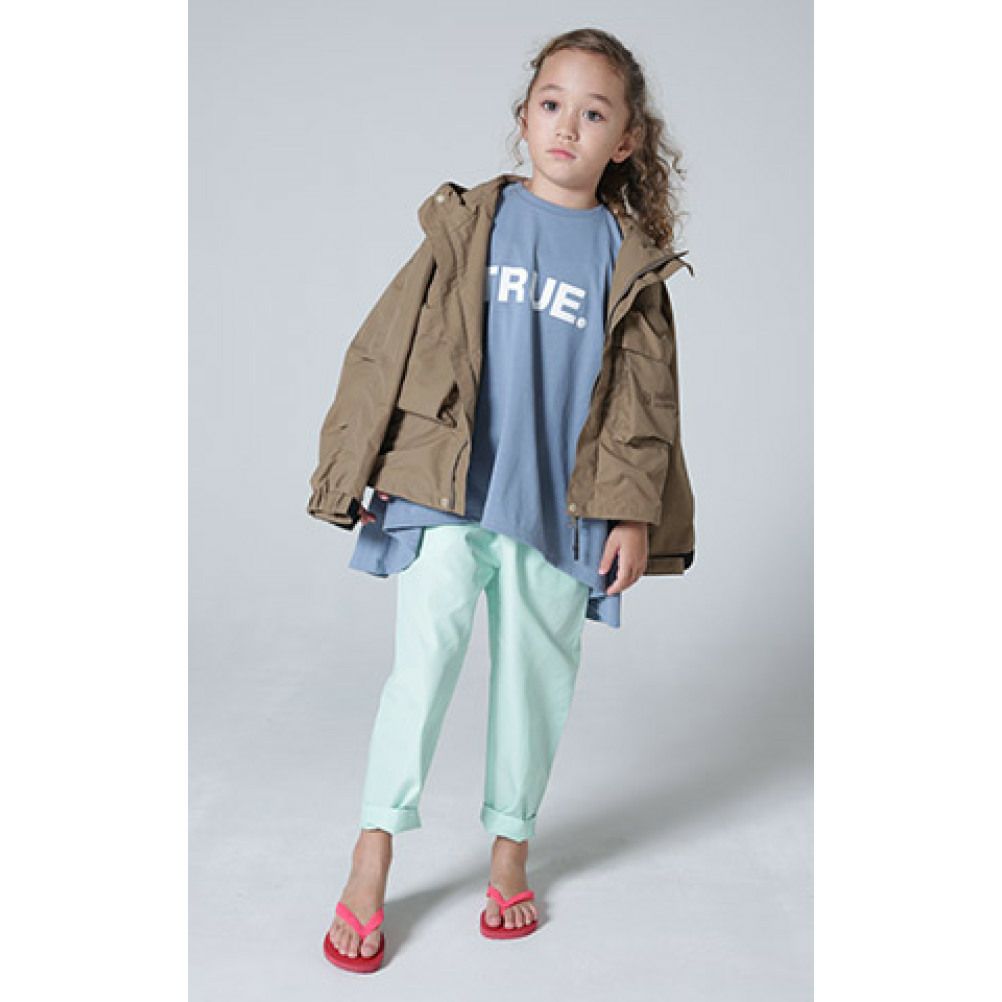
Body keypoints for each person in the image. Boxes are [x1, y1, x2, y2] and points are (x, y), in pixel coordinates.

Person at [308, 27, 697, 973]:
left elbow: (646, 409)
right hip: (446, 491)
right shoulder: (472, 225)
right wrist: (358, 468)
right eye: (552, 105)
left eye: (593, 113)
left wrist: (632, 514)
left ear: (626, 141)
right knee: (420, 675)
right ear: (524, 116)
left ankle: (510, 851)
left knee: (534, 688)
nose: (568, 126)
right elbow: (385, 347)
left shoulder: (628, 261)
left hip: (560, 514)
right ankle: (372, 851)